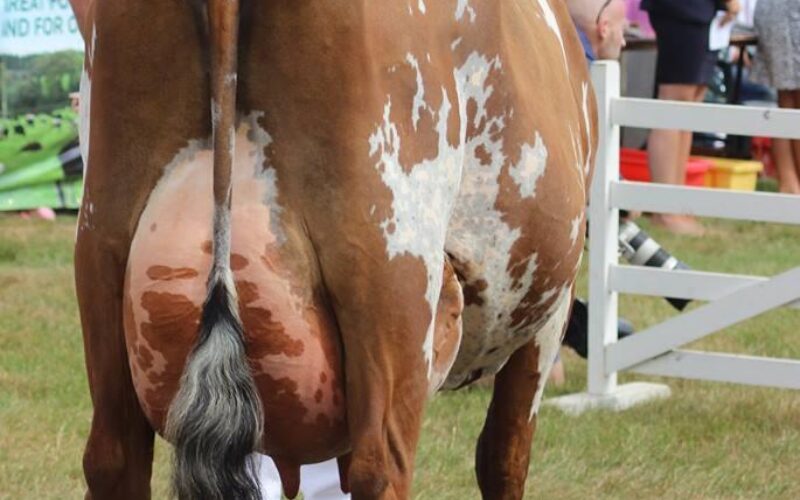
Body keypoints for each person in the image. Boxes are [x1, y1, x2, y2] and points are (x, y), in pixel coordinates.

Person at [642, 0, 740, 235]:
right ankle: (665, 211)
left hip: (706, 13)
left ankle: (677, 204)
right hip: (684, 9)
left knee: (689, 106)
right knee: (674, 102)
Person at [751, 0, 800, 194]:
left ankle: (790, 182)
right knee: (788, 99)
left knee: (788, 100)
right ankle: (789, 182)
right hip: (784, 14)